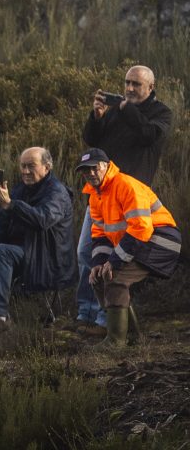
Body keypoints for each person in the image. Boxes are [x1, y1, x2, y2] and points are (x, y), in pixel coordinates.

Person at [76, 65, 172, 335]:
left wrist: (125, 108)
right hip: (102, 194)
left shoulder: (161, 113)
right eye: (127, 83)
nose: (129, 88)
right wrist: (96, 117)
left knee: (116, 259)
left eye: (136, 84)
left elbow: (148, 135)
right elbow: (92, 142)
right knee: (86, 251)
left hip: (132, 200)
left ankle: (107, 322)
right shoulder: (117, 111)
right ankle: (87, 313)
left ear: (150, 87)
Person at [0, 147, 75, 334]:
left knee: (2, 252)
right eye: (22, 166)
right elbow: (3, 220)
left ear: (47, 167)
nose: (25, 171)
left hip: (45, 260)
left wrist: (10, 204)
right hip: (20, 254)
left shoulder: (57, 193)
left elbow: (42, 220)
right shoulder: (20, 189)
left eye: (31, 166)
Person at [76, 148, 181, 347]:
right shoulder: (95, 195)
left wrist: (114, 262)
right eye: (85, 170)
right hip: (141, 241)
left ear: (106, 166)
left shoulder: (125, 185)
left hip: (162, 241)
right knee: (99, 278)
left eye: (94, 167)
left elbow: (141, 228)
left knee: (114, 277)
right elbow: (100, 235)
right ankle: (132, 337)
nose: (90, 173)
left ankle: (115, 342)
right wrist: (99, 263)